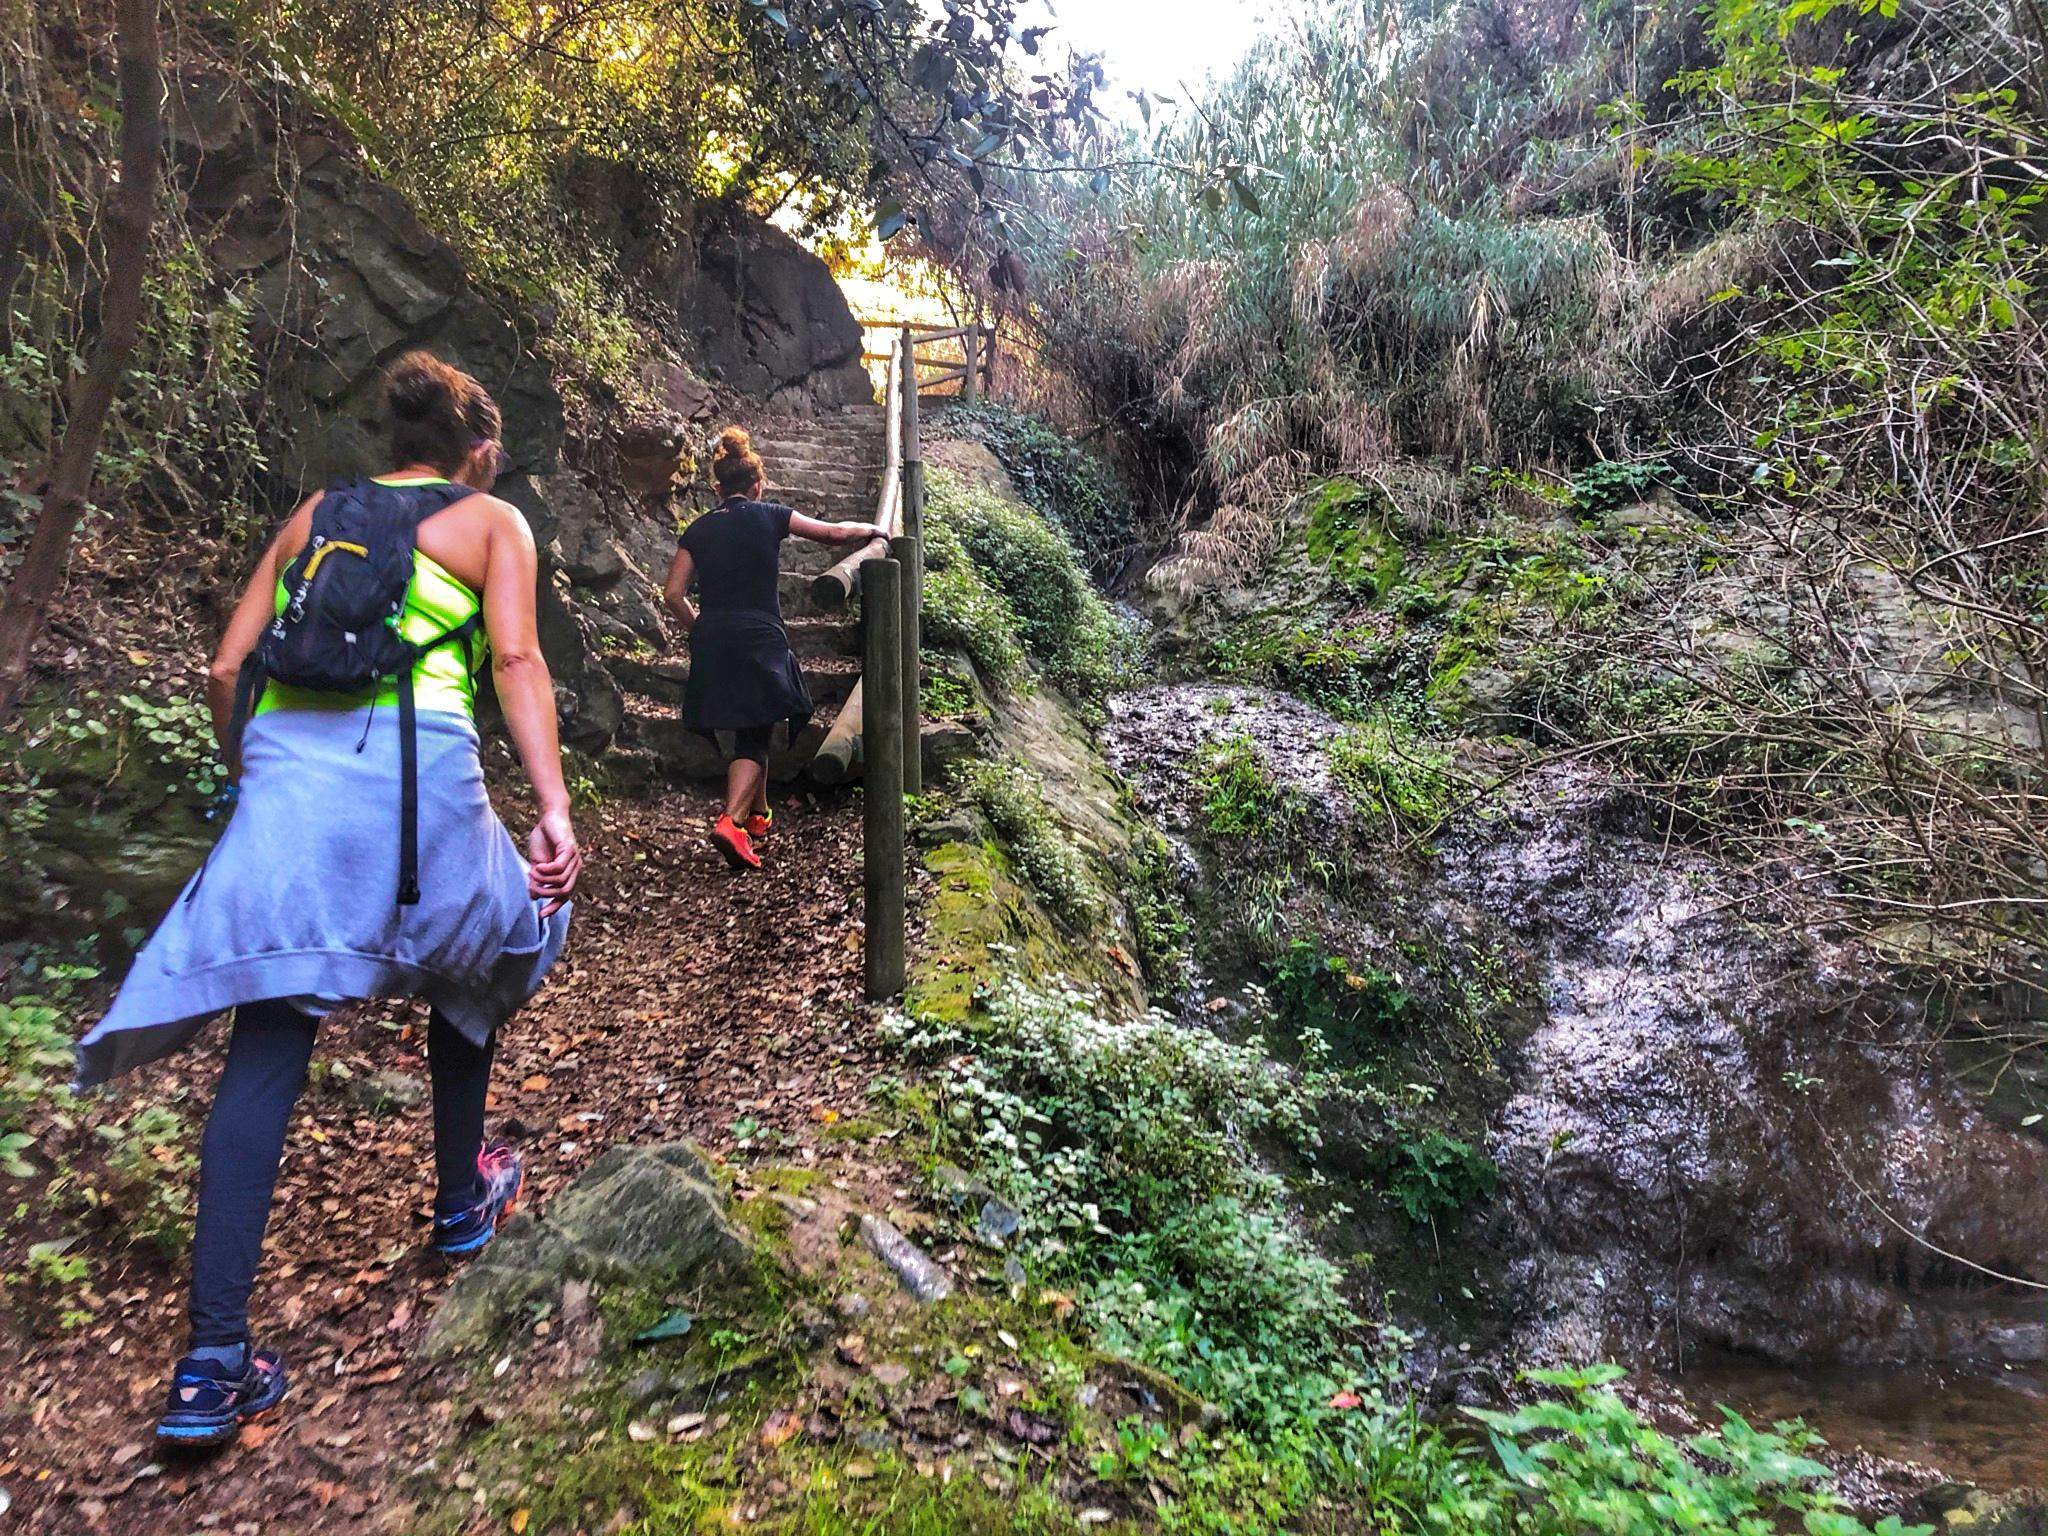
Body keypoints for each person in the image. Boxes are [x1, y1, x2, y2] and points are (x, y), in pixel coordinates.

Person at [74, 350, 580, 1449]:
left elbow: (224, 670)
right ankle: (461, 1197)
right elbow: (516, 661)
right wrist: (551, 808)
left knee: (268, 1037)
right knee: (507, 932)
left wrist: (250, 785)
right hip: (419, 781)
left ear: (395, 445)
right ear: (476, 453)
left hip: (289, 785)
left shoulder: (317, 514)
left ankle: (210, 1367)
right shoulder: (492, 522)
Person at [663, 426, 885, 869]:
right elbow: (832, 535)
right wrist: (875, 529)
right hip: (758, 635)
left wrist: (699, 631)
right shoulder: (769, 515)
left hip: (714, 636)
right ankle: (731, 820)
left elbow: (672, 594)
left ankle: (759, 816)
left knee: (752, 721)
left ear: (720, 488)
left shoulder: (698, 529)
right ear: (757, 485)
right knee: (757, 730)